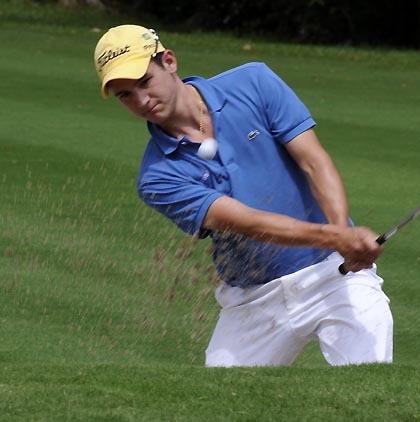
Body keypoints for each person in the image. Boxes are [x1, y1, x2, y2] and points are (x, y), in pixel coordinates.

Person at [94, 24, 393, 367]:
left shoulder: (254, 82)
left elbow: (313, 161)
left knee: (369, 376)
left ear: (169, 61)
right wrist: (338, 235)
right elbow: (245, 222)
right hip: (253, 299)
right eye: (125, 95)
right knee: (221, 403)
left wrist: (342, 236)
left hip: (334, 275)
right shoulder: (157, 177)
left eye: (144, 82)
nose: (142, 100)